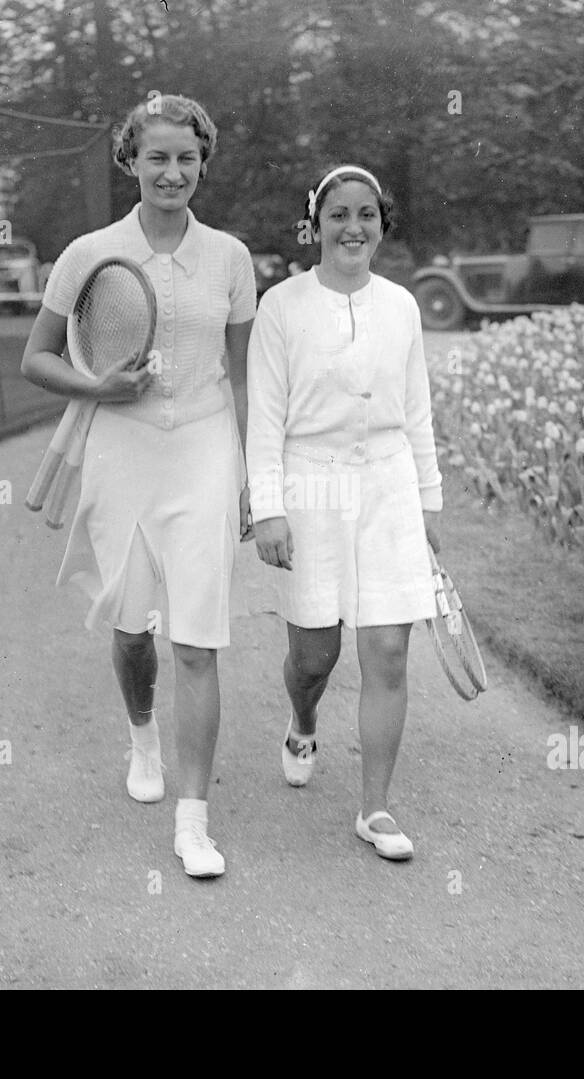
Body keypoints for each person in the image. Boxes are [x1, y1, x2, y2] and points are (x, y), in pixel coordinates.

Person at [20, 94, 256, 879]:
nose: (173, 171)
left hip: (204, 445)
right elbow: (39, 357)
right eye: (157, 157)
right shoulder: (90, 251)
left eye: (187, 158)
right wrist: (100, 390)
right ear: (131, 160)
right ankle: (142, 736)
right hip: (121, 448)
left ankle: (195, 822)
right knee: (132, 631)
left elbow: (246, 375)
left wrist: (258, 473)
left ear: (203, 163)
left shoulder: (229, 256)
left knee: (197, 634)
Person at [245, 164, 443, 861]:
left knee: (388, 648)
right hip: (311, 487)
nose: (352, 227)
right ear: (316, 223)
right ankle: (302, 719)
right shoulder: (282, 306)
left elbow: (417, 411)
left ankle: (376, 808)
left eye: (367, 214)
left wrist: (426, 502)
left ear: (382, 225)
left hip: (387, 487)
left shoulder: (402, 307)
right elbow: (264, 418)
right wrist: (267, 509)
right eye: (338, 214)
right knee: (315, 653)